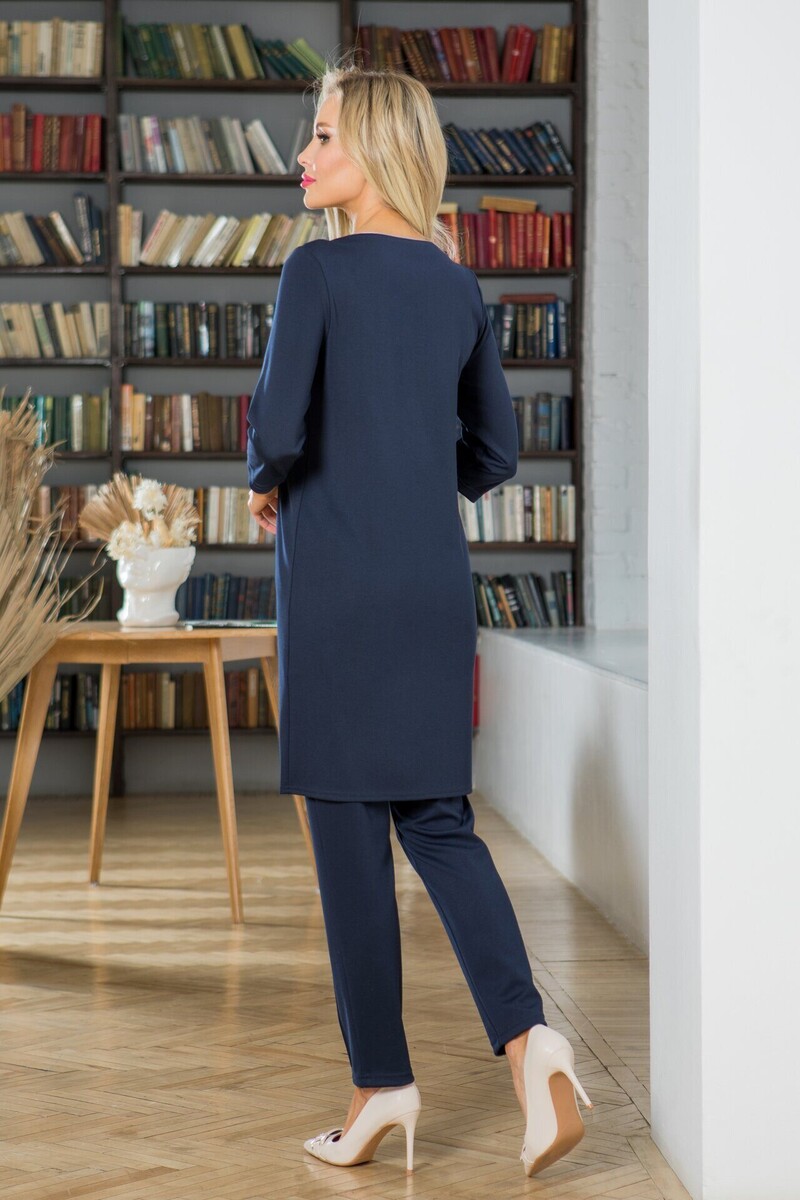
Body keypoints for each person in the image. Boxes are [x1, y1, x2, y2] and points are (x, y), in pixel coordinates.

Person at [246, 62, 593, 1178]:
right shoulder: (456, 286)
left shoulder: (315, 271)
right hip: (432, 588)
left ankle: (381, 1086)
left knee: (348, 836)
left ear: (380, 148)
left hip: (337, 590)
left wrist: (267, 481)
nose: (305, 156)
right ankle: (530, 1042)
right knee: (440, 824)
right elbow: (494, 451)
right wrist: (405, 469)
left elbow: (277, 432)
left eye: (324, 135)